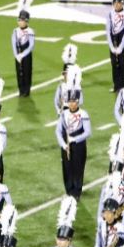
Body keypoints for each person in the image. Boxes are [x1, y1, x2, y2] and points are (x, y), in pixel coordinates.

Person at [55, 65, 91, 199]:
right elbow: (58, 131)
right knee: (66, 166)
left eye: (74, 101)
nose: (72, 104)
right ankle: (68, 189)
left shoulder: (83, 114)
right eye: (70, 101)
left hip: (78, 142)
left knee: (78, 166)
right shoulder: (63, 115)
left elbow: (88, 132)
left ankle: (77, 190)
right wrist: (64, 145)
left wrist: (74, 139)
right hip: (67, 143)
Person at [106, 0, 124, 93]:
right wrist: (112, 46)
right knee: (114, 64)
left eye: (119, 3)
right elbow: (108, 31)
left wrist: (121, 47)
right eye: (115, 3)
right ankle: (116, 85)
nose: (117, 5)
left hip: (122, 43)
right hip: (113, 41)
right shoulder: (110, 14)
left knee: (123, 64)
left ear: (122, 3)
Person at [11, 0, 35, 97]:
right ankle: (21, 90)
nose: (20, 22)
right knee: (19, 72)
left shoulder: (30, 31)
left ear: (26, 21)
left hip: (26, 54)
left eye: (22, 20)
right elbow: (13, 42)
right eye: (19, 20)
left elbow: (31, 45)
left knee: (27, 71)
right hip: (18, 53)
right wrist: (16, 54)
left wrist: (23, 54)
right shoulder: (16, 31)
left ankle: (26, 90)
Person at [53, 44, 83, 115]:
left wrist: (72, 105)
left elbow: (81, 101)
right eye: (66, 74)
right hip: (63, 113)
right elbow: (56, 100)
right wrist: (58, 110)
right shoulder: (61, 86)